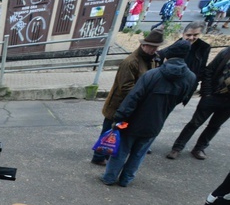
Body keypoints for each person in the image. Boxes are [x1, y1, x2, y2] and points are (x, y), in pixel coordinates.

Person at [101, 40, 195, 187]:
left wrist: (120, 118)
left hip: (132, 122)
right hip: (156, 123)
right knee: (139, 154)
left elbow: (132, 98)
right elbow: (182, 99)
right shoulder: (190, 78)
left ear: (168, 56)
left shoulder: (152, 75)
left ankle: (109, 177)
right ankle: (126, 180)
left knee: (121, 151)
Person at [91, 29, 163, 166]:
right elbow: (125, 87)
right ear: (143, 45)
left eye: (156, 47)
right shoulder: (130, 62)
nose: (154, 50)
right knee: (109, 130)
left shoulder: (152, 59)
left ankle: (106, 154)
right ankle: (99, 156)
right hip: (118, 105)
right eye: (152, 47)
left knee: (118, 132)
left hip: (132, 105)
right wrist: (143, 96)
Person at [165, 46, 230, 161]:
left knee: (214, 126)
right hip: (213, 96)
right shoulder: (225, 53)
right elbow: (209, 71)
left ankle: (199, 148)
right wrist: (207, 93)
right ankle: (177, 148)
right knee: (195, 123)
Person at [157, 21, 210, 91]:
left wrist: (194, 83)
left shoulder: (204, 47)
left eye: (195, 35)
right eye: (188, 35)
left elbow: (202, 68)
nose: (191, 38)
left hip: (189, 84)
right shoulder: (172, 48)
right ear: (183, 34)